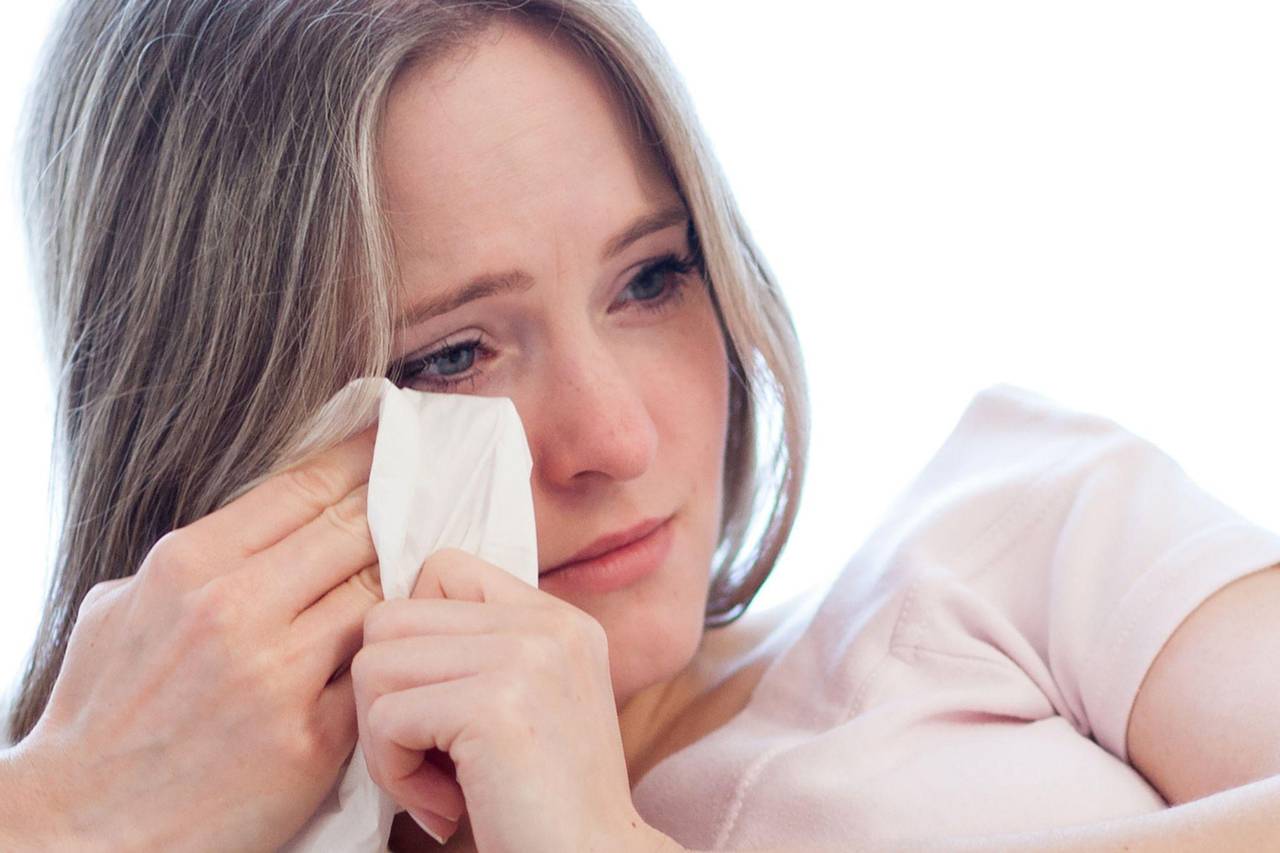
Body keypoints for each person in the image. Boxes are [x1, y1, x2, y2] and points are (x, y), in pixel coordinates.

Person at [2, 1, 1280, 851]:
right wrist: (66, 812)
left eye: (651, 278)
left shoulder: (1019, 539)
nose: (612, 437)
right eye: (450, 355)